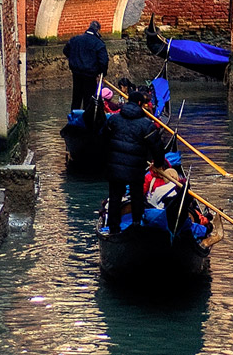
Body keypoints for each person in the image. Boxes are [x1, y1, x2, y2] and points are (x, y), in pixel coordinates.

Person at [103, 91, 168, 233]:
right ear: (140, 104)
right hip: (135, 169)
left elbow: (103, 139)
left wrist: (107, 159)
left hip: (115, 167)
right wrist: (158, 164)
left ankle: (113, 229)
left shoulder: (113, 120)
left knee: (115, 198)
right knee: (137, 197)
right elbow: (157, 147)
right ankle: (137, 225)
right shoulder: (146, 124)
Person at [63, 20, 109, 111]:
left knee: (76, 98)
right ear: (97, 30)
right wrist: (102, 73)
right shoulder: (99, 43)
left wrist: (74, 59)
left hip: (76, 73)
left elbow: (65, 51)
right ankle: (87, 117)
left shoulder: (75, 39)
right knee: (88, 99)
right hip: (90, 75)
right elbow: (103, 61)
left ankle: (74, 115)